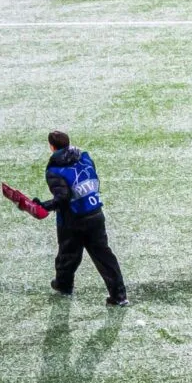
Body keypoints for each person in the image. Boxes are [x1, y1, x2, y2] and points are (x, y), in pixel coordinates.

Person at [38, 131, 128, 306]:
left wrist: (44, 206)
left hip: (73, 220)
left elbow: (62, 198)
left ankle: (64, 285)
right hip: (95, 213)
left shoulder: (54, 170)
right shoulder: (85, 158)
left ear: (52, 147)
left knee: (68, 254)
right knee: (104, 257)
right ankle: (119, 296)